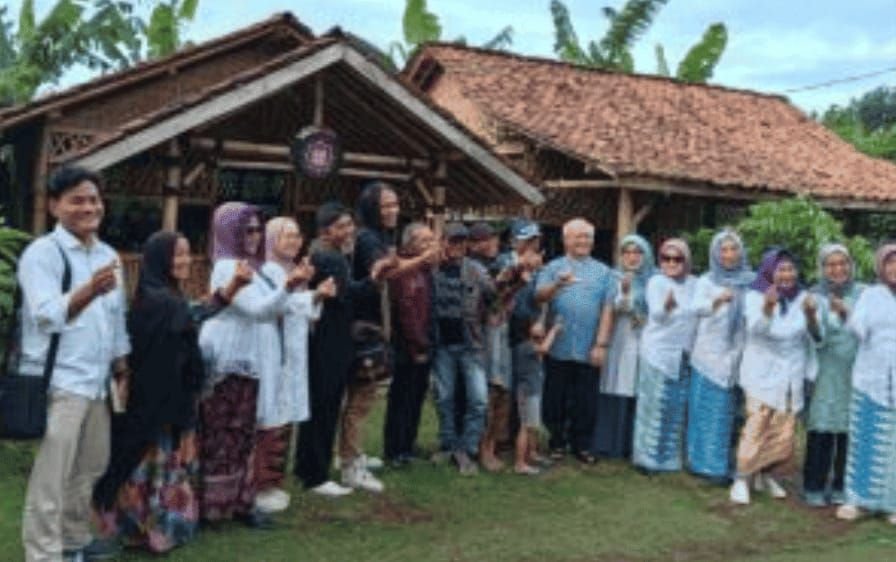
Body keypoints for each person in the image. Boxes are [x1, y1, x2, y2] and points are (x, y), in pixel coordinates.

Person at [92, 231, 251, 554]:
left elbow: (192, 314)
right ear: (160, 260)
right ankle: (154, 531)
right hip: (159, 402)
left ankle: (140, 529)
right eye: (177, 254)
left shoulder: (157, 296)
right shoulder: (162, 301)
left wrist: (232, 288)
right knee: (153, 465)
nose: (185, 260)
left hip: (159, 401)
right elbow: (192, 316)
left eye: (187, 253)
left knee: (147, 464)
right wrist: (231, 289)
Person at [18, 166, 131, 562]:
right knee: (52, 477)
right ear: (54, 206)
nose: (89, 208)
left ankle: (73, 540)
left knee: (90, 467)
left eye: (94, 200)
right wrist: (88, 291)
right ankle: (43, 553)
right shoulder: (42, 254)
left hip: (97, 383)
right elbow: (46, 315)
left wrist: (121, 368)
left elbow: (116, 321)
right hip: (59, 383)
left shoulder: (108, 255)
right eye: (77, 200)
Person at [197, 202, 306, 527]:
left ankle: (240, 502)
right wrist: (288, 287)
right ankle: (213, 506)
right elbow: (257, 310)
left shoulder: (253, 268)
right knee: (220, 435)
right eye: (247, 230)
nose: (255, 236)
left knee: (243, 434)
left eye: (258, 230)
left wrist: (291, 290)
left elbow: (270, 309)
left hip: (249, 356)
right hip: (227, 358)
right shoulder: (226, 267)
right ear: (229, 231)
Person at [341, 182, 434, 491]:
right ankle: (351, 465)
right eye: (386, 206)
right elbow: (387, 274)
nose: (394, 210)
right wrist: (424, 257)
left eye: (395, 204)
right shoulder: (368, 238)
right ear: (372, 209)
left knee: (364, 399)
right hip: (363, 329)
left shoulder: (381, 237)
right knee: (359, 401)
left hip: (375, 327)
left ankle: (352, 455)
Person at [294, 202, 391, 497]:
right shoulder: (330, 258)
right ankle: (316, 475)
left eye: (350, 225)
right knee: (325, 406)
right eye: (342, 226)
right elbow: (348, 295)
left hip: (323, 337)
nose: (349, 231)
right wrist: (376, 277)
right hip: (330, 340)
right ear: (326, 231)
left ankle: (307, 467)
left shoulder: (323, 253)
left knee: (319, 406)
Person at [254, 218, 335, 513]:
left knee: (285, 416)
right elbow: (281, 307)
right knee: (272, 418)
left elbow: (307, 312)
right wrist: (315, 294)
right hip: (274, 352)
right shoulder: (268, 270)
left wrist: (314, 293)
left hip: (293, 351)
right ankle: (262, 486)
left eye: (297, 235)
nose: (294, 241)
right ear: (271, 239)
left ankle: (274, 482)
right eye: (286, 236)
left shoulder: (291, 270)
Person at [730, 248, 821, 505]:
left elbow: (817, 337)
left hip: (792, 374)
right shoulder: (754, 295)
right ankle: (742, 478)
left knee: (783, 429)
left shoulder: (804, 297)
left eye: (791, 269)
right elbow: (755, 330)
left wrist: (811, 315)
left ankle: (766, 473)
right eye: (781, 269)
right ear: (770, 271)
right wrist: (769, 308)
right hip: (761, 371)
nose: (787, 274)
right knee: (757, 424)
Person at [535, 218, 614, 464]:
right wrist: (557, 285)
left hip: (588, 346)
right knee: (554, 397)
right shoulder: (552, 268)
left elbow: (607, 309)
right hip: (558, 344)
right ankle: (557, 441)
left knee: (586, 399)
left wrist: (601, 344)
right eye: (578, 236)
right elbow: (539, 296)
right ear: (565, 239)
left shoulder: (604, 272)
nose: (584, 241)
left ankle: (583, 445)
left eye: (588, 236)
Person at [686, 230, 754, 483]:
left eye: (733, 249)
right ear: (715, 253)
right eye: (723, 250)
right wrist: (717, 300)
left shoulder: (750, 281)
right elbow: (695, 308)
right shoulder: (707, 281)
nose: (728, 255)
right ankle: (703, 465)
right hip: (707, 357)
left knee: (727, 414)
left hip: (736, 356)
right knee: (705, 411)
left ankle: (723, 463)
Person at [836, 243, 896, 525]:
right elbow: (857, 327)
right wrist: (846, 315)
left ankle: (891, 504)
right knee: (865, 439)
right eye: (889, 263)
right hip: (871, 379)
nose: (894, 268)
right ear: (881, 267)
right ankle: (856, 500)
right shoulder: (871, 295)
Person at [431, 223, 497, 475]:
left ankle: (467, 448)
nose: (457, 246)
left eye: (461, 241)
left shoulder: (477, 270)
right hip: (442, 344)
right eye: (452, 241)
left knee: (479, 399)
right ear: (443, 242)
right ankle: (448, 444)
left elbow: (494, 297)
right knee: (444, 397)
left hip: (472, 344)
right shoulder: (432, 268)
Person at [803, 244, 864, 507]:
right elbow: (817, 338)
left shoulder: (864, 294)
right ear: (822, 268)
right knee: (823, 426)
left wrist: (846, 313)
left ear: (850, 265)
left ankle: (842, 486)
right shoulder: (815, 296)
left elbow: (870, 330)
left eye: (842, 263)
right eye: (831, 264)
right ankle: (814, 486)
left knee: (850, 429)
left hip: (857, 370)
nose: (837, 269)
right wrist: (810, 317)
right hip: (826, 370)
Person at [632, 238, 698, 473]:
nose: (671, 263)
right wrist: (667, 307)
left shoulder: (694, 283)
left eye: (677, 258)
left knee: (675, 405)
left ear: (686, 260)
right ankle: (645, 458)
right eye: (666, 258)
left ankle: (669, 458)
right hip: (657, 353)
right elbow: (657, 315)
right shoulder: (657, 282)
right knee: (652, 404)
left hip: (683, 353)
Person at [592, 234, 655, 459]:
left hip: (645, 342)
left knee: (638, 389)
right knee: (616, 385)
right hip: (618, 339)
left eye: (637, 252)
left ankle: (632, 445)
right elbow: (613, 307)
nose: (632, 257)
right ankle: (610, 444)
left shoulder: (654, 279)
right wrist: (626, 294)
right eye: (626, 252)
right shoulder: (614, 277)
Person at [383, 222, 438, 466]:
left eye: (431, 240)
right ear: (410, 244)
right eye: (425, 241)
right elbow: (406, 312)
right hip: (409, 347)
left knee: (415, 397)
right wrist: (419, 345)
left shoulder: (424, 269)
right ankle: (397, 450)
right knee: (403, 398)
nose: (430, 246)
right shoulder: (405, 270)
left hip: (422, 342)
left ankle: (407, 445)